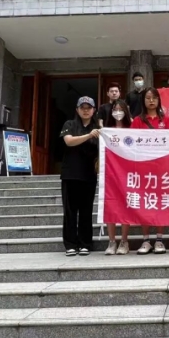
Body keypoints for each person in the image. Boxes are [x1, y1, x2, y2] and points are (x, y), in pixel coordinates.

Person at [131, 87, 169, 254]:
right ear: (143, 101)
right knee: (145, 203)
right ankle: (146, 240)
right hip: (144, 168)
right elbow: (131, 143)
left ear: (159, 100)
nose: (151, 101)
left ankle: (159, 239)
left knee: (161, 202)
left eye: (154, 98)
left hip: (163, 169)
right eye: (148, 97)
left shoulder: (167, 120)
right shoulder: (137, 121)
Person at [59, 96, 101, 257]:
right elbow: (69, 141)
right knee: (70, 211)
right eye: (82, 107)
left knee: (86, 210)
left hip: (89, 174)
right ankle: (70, 244)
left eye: (89, 107)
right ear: (77, 109)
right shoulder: (69, 124)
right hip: (70, 174)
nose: (86, 110)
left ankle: (85, 243)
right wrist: (89, 135)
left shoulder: (98, 127)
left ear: (94, 110)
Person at [103, 100, 133, 255]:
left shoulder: (132, 129)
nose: (118, 112)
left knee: (125, 205)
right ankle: (112, 241)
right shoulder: (107, 130)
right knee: (111, 205)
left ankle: (124, 241)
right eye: (115, 109)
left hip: (128, 172)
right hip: (111, 173)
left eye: (121, 109)